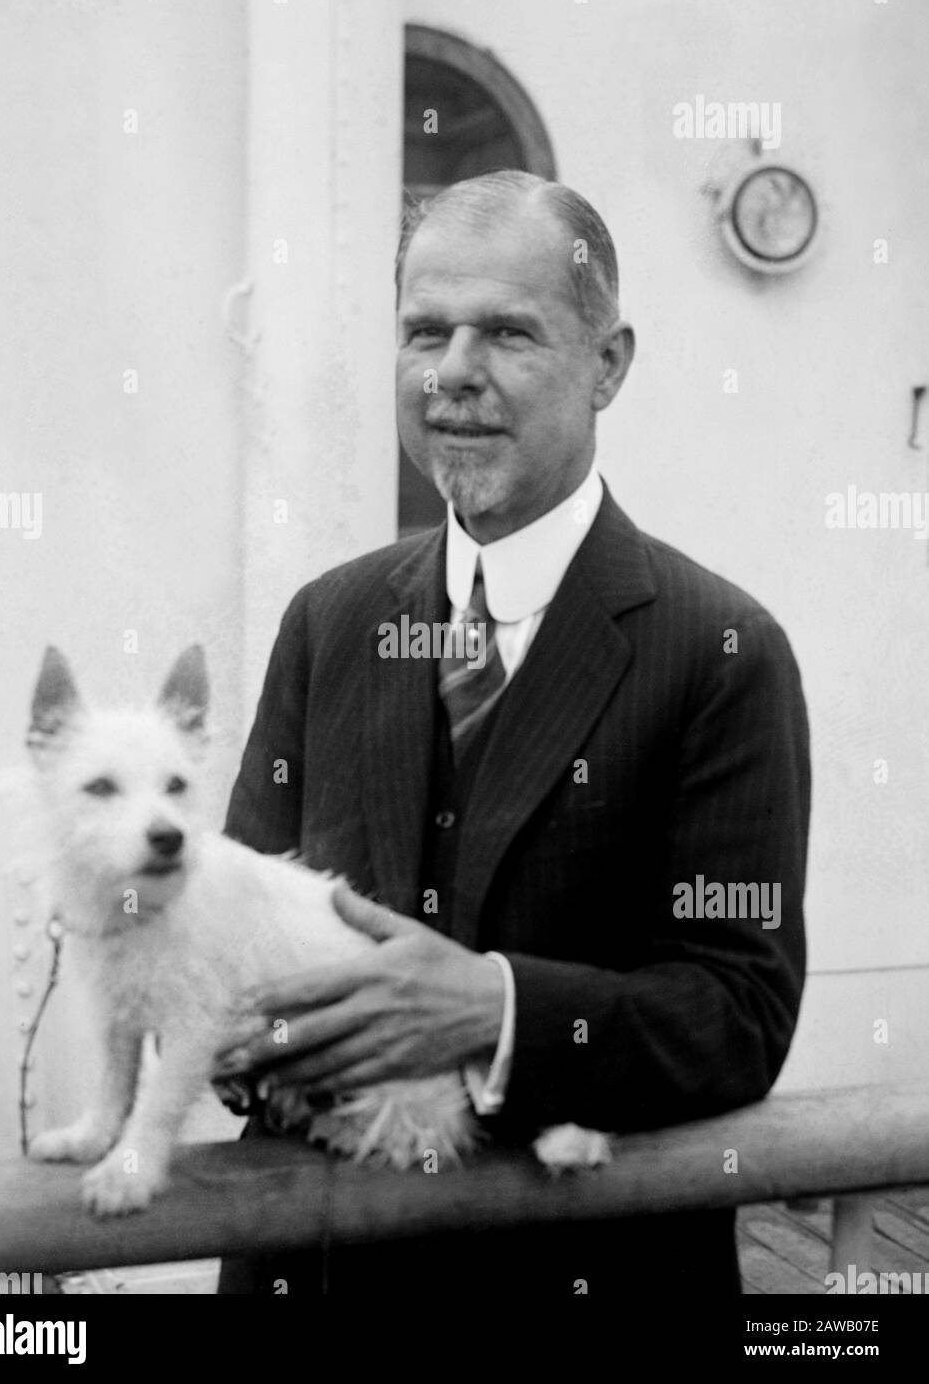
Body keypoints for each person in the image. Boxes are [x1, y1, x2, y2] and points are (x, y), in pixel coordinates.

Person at [215, 169, 810, 1297]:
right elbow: (243, 925)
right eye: (424, 330)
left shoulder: (722, 650)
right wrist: (234, 1029)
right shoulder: (329, 621)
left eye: (507, 332)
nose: (452, 374)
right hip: (315, 1274)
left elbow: (738, 1012)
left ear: (608, 365)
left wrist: (498, 1010)